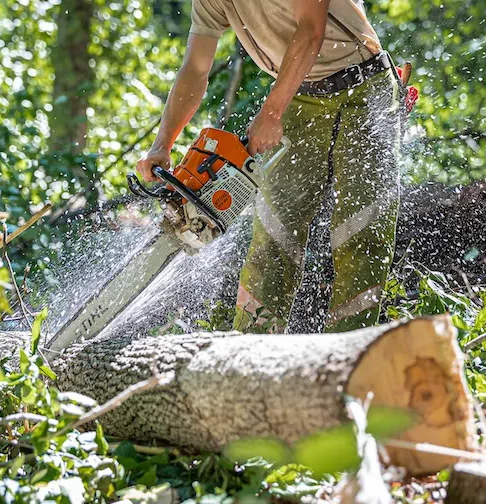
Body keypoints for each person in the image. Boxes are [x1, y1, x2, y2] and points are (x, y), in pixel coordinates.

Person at [137, 0, 407, 333]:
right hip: (300, 93)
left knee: (361, 232)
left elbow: (311, 30)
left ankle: (351, 352)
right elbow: (195, 68)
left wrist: (272, 112)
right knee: (274, 235)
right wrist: (162, 144)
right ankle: (251, 345)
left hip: (365, 88)